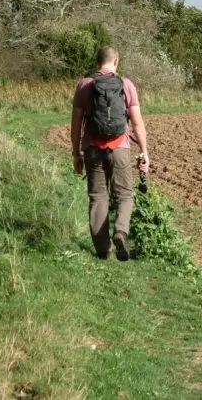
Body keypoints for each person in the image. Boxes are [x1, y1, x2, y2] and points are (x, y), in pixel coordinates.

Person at [71, 46, 150, 261]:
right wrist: (144, 153)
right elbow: (137, 122)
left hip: (92, 148)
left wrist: (76, 154)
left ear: (97, 62)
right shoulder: (126, 85)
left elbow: (76, 124)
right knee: (124, 195)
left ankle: (103, 250)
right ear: (116, 61)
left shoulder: (84, 85)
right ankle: (121, 232)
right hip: (120, 147)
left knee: (98, 197)